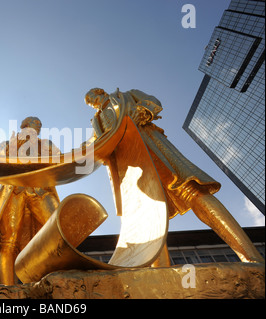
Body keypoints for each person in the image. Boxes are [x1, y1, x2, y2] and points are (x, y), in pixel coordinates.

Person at [85, 87, 264, 265]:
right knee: (146, 216)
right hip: (126, 165)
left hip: (149, 144)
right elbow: (93, 145)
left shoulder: (125, 96)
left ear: (99, 91)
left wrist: (143, 111)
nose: (92, 103)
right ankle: (161, 277)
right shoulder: (96, 121)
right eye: (89, 103)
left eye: (91, 98)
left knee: (191, 190)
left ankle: (250, 256)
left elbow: (152, 101)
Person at [0, 117, 61, 285]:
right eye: (34, 124)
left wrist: (82, 151)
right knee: (8, 241)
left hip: (40, 190)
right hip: (14, 190)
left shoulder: (46, 144)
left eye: (39, 125)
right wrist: (11, 147)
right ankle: (8, 289)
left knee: (57, 230)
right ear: (24, 126)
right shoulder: (7, 143)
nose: (38, 127)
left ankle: (49, 283)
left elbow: (60, 161)